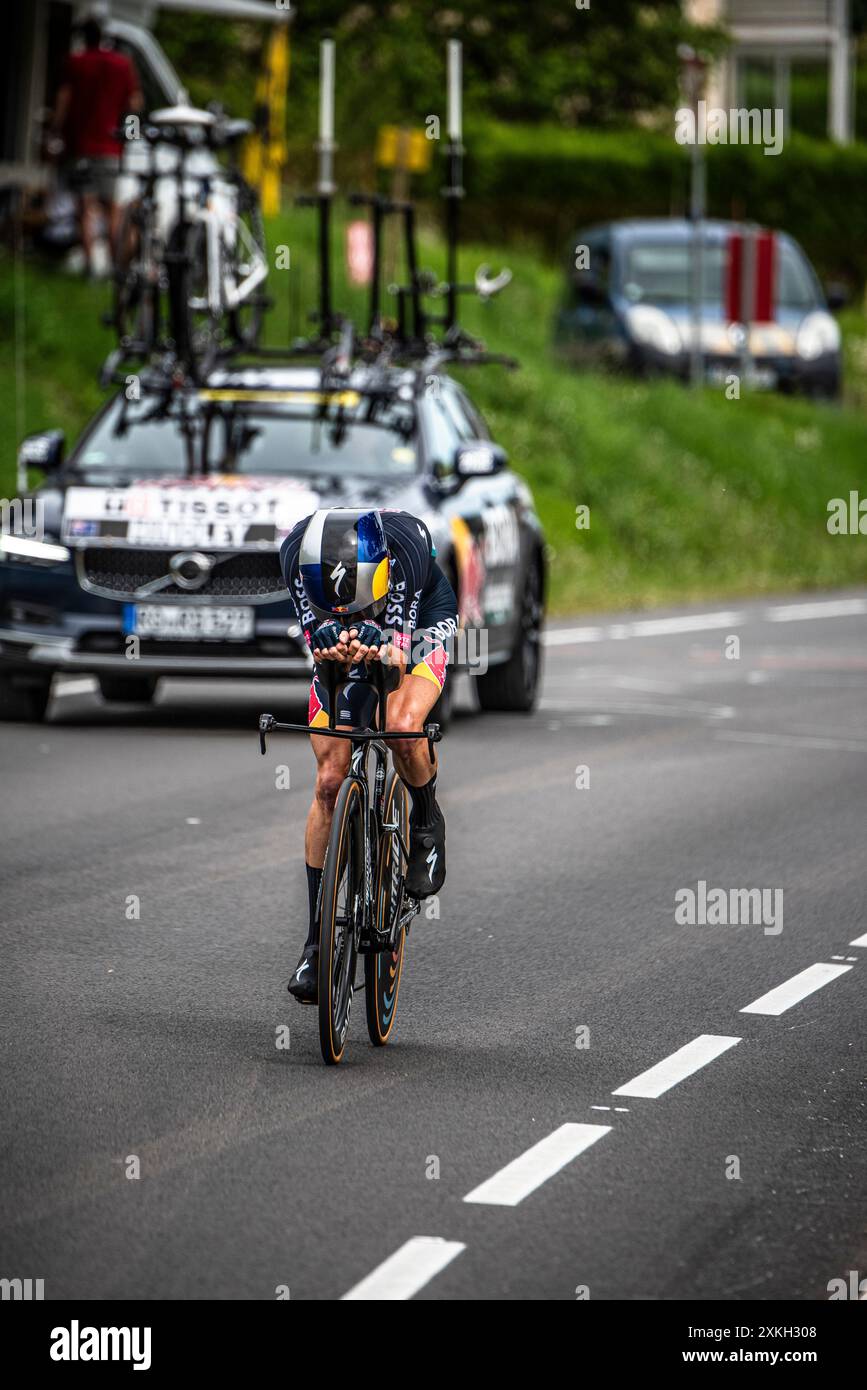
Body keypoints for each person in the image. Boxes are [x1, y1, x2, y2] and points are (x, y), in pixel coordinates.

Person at [280, 507, 458, 1004]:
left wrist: (385, 644)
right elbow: (317, 645)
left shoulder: (404, 547)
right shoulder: (294, 555)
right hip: (350, 630)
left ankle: (426, 820)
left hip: (418, 624)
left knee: (401, 726)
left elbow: (397, 663)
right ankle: (316, 944)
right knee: (330, 781)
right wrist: (328, 642)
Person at [52, 13, 142, 275]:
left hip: (79, 146)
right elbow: (134, 104)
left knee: (85, 208)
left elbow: (63, 101)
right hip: (111, 148)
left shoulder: (75, 63)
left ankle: (92, 269)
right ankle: (116, 269)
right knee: (113, 209)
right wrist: (131, 136)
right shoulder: (122, 65)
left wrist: (55, 133)